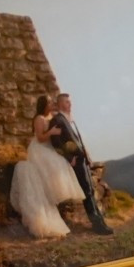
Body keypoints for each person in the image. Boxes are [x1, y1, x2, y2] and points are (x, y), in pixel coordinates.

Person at [8, 95, 87, 239]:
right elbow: (40, 137)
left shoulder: (53, 117)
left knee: (60, 163)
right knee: (56, 163)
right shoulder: (39, 118)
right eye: (50, 102)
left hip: (49, 148)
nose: (52, 104)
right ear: (44, 105)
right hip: (39, 149)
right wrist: (51, 132)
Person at [46, 93, 110, 233]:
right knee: (87, 192)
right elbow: (56, 143)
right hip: (75, 162)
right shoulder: (57, 120)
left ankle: (100, 222)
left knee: (90, 190)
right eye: (67, 102)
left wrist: (87, 155)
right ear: (60, 103)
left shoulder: (70, 120)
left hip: (83, 160)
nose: (70, 104)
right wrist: (69, 158)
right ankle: (98, 226)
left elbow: (77, 140)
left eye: (70, 102)